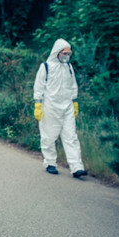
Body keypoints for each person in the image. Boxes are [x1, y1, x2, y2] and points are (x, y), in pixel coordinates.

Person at [33, 38, 88, 178]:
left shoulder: (69, 67)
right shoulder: (45, 67)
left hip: (67, 107)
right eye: (64, 53)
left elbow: (73, 84)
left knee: (71, 137)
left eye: (69, 53)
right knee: (49, 136)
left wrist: (74, 102)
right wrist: (38, 104)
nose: (67, 56)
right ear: (57, 52)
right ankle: (50, 163)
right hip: (50, 107)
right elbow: (39, 86)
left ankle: (76, 167)